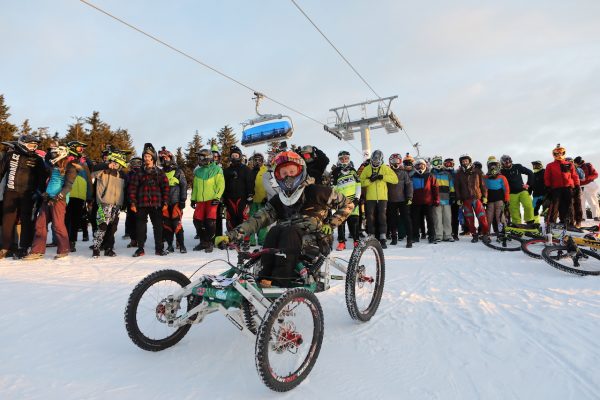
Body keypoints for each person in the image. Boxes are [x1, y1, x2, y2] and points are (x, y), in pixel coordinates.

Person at [214, 151, 354, 287]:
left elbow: (348, 204)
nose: (289, 177)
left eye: (292, 172)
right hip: (285, 242)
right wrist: (231, 235)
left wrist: (331, 223)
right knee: (275, 230)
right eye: (284, 174)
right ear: (278, 177)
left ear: (300, 171)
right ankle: (266, 278)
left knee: (289, 231)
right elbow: (257, 220)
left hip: (316, 240)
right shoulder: (279, 200)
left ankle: (281, 281)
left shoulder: (318, 191)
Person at [24, 146, 77, 260]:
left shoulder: (70, 167)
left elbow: (68, 186)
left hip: (59, 200)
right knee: (40, 224)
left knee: (57, 225)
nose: (53, 156)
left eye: (55, 154)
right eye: (53, 154)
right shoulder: (54, 166)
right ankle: (37, 251)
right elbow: (50, 181)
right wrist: (45, 193)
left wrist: (59, 196)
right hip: (48, 198)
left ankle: (64, 249)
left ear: (62, 154)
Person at [0, 134, 47, 259]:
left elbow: (42, 179)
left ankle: (23, 248)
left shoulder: (38, 160)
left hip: (28, 194)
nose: (33, 148)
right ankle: (5, 247)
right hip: (10, 192)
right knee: (7, 221)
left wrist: (39, 193)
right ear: (22, 144)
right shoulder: (10, 155)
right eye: (31, 145)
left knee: (27, 221)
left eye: (35, 146)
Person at [128, 143, 170, 257]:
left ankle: (159, 249)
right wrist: (132, 202)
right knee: (140, 227)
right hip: (141, 204)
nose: (146, 158)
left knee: (158, 227)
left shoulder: (160, 173)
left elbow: (166, 188)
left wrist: (165, 202)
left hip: (157, 204)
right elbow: (132, 188)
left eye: (148, 156)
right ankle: (140, 249)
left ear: (153, 157)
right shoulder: (139, 173)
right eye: (144, 156)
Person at [90, 151, 127, 258]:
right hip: (104, 203)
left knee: (112, 227)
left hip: (116, 205)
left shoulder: (122, 175)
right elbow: (94, 170)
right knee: (102, 226)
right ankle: (96, 248)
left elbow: (124, 190)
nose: (115, 165)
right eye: (114, 163)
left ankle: (109, 248)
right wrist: (107, 165)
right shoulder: (103, 171)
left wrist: (123, 203)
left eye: (117, 164)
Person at [359, 149, 398, 248]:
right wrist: (370, 180)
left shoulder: (385, 168)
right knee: (370, 217)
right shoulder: (367, 168)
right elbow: (361, 182)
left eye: (377, 162)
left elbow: (395, 180)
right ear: (371, 160)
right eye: (374, 161)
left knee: (382, 217)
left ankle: (383, 237)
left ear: (381, 160)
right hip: (370, 197)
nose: (375, 163)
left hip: (382, 197)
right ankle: (371, 236)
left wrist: (383, 177)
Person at [191, 148, 225, 252]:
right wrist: (193, 199)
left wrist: (217, 197)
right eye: (199, 157)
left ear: (207, 157)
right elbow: (195, 187)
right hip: (200, 201)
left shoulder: (217, 169)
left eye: (201, 157)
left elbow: (221, 184)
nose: (199, 159)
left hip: (212, 200)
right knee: (197, 221)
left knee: (210, 222)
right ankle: (203, 242)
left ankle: (210, 242)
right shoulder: (198, 171)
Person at [223, 145, 254, 250]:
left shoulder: (245, 169)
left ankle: (246, 241)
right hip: (229, 198)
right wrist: (223, 198)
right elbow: (223, 185)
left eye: (236, 155)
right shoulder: (226, 171)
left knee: (244, 219)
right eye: (233, 155)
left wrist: (250, 195)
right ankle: (234, 240)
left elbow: (250, 183)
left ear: (240, 156)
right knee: (231, 220)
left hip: (242, 198)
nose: (235, 157)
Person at [454, 154, 490, 243]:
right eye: (463, 161)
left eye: (466, 160)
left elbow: (483, 185)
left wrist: (485, 196)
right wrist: (458, 198)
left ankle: (485, 234)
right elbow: (457, 187)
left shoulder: (477, 171)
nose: (465, 162)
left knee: (482, 217)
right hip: (466, 199)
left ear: (469, 161)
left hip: (476, 198)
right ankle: (474, 235)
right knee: (469, 218)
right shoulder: (459, 174)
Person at [64, 141, 93, 252]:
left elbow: (89, 180)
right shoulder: (66, 160)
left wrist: (89, 196)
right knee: (66, 219)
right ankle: (64, 240)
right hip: (67, 193)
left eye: (82, 149)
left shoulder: (84, 163)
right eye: (79, 149)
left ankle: (72, 241)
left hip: (80, 195)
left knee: (76, 220)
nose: (82, 151)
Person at [332, 150, 361, 250]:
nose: (344, 160)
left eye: (346, 158)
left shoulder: (353, 170)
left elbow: (358, 185)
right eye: (342, 158)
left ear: (349, 159)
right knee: (341, 222)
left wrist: (357, 198)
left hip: (353, 199)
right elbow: (334, 187)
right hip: (341, 200)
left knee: (354, 222)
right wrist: (335, 200)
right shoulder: (336, 172)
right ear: (339, 160)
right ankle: (341, 242)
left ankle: (356, 241)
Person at [160, 149, 187, 253]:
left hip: (176, 202)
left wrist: (183, 200)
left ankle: (182, 245)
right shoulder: (161, 172)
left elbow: (184, 185)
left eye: (166, 157)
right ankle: (170, 245)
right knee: (167, 224)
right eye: (163, 158)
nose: (165, 160)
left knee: (177, 224)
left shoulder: (178, 171)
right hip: (165, 203)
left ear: (171, 158)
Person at [544, 145, 580, 225]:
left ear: (563, 153)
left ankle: (568, 222)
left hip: (568, 188)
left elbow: (574, 175)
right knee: (555, 205)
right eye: (557, 154)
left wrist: (577, 185)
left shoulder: (569, 164)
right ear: (554, 155)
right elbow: (547, 177)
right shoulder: (550, 165)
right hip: (556, 188)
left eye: (560, 153)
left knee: (569, 205)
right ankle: (551, 222)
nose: (559, 155)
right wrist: (548, 186)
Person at [387, 153, 413, 247]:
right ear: (390, 162)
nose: (395, 163)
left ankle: (409, 239)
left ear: (400, 161)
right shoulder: (387, 172)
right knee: (392, 220)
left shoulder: (404, 173)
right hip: (391, 200)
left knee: (406, 219)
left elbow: (409, 185)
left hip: (403, 200)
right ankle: (394, 238)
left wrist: (409, 197)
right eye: (393, 161)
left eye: (397, 161)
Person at [500, 154, 535, 225]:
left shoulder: (517, 166)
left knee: (528, 205)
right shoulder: (501, 172)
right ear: (502, 163)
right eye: (506, 162)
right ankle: (517, 224)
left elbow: (530, 173)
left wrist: (528, 184)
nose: (508, 163)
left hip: (522, 191)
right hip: (511, 194)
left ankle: (530, 221)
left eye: (509, 161)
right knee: (514, 210)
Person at [410, 158, 439, 243]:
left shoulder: (430, 176)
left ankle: (432, 237)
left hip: (428, 202)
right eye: (418, 165)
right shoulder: (412, 177)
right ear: (415, 167)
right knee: (415, 220)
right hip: (416, 203)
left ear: (425, 166)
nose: (420, 167)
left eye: (422, 165)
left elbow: (435, 188)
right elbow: (409, 190)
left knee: (430, 220)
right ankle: (415, 236)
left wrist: (436, 199)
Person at [483, 157, 510, 233]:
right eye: (491, 165)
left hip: (499, 200)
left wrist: (507, 200)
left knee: (500, 216)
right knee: (488, 217)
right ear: (488, 166)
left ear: (498, 166)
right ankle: (486, 232)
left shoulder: (502, 177)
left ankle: (502, 232)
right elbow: (483, 188)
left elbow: (506, 189)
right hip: (489, 201)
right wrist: (483, 198)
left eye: (495, 165)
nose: (493, 167)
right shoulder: (485, 177)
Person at [431, 155, 454, 242]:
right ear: (433, 164)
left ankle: (447, 235)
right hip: (436, 200)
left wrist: (452, 195)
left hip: (446, 199)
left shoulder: (447, 174)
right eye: (436, 162)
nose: (438, 164)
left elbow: (451, 185)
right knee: (437, 218)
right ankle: (438, 235)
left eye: (439, 162)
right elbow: (430, 188)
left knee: (447, 218)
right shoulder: (432, 175)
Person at [248, 153, 269, 247]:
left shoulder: (266, 171)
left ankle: (262, 239)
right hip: (252, 200)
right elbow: (248, 185)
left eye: (259, 160)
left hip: (262, 200)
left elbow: (270, 185)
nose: (257, 162)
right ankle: (251, 240)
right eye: (255, 160)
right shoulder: (251, 171)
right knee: (252, 220)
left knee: (262, 221)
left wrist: (267, 197)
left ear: (262, 161)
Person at [574, 156, 599, 221]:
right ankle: (582, 217)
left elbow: (595, 174)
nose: (576, 164)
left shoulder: (588, 165)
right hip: (580, 187)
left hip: (589, 185)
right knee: (581, 202)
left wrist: (586, 178)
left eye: (576, 163)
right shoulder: (575, 168)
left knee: (592, 201)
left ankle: (596, 216)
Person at [124, 157, 142, 248]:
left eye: (138, 163)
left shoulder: (143, 173)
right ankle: (133, 240)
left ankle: (140, 240)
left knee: (140, 222)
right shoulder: (128, 174)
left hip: (142, 202)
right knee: (131, 221)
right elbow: (125, 187)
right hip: (130, 201)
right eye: (134, 163)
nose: (136, 165)